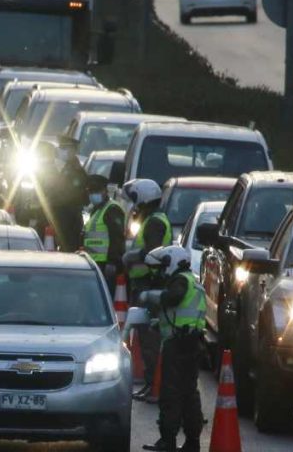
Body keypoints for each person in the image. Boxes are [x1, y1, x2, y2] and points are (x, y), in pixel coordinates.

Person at [140, 245, 206, 452]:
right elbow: (180, 314)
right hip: (192, 343)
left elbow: (173, 298)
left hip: (177, 346)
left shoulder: (180, 281)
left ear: (173, 263)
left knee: (171, 394)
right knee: (189, 394)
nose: (159, 272)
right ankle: (192, 442)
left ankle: (168, 440)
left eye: (161, 268)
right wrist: (159, 324)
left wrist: (151, 296)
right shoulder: (193, 280)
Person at [123, 178, 172, 400]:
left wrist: (131, 256)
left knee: (150, 340)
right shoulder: (152, 219)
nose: (134, 205)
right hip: (145, 285)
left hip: (150, 286)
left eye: (135, 200)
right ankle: (152, 383)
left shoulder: (154, 223)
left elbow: (153, 253)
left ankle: (155, 386)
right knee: (144, 340)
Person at [81, 174, 125, 286]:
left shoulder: (112, 209)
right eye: (90, 191)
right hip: (94, 262)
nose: (92, 194)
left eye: (96, 191)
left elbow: (117, 238)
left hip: (106, 264)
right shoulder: (95, 210)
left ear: (105, 191)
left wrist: (112, 262)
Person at [47, 136, 88, 252]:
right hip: (60, 217)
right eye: (60, 147)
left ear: (73, 151)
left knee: (68, 250)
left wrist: (51, 200)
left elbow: (69, 195)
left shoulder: (76, 171)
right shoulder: (62, 167)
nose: (61, 150)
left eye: (65, 148)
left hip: (69, 219)